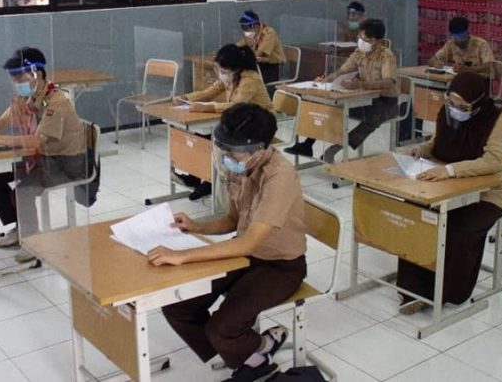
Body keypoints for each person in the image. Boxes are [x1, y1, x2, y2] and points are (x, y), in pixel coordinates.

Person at [154, 103, 306, 382]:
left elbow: (247, 243)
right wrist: (196, 226)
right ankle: (249, 354)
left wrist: (182, 256)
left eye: (232, 150)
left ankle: (255, 356)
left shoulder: (279, 177)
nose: (225, 156)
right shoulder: (240, 166)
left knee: (221, 327)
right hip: (246, 255)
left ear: (259, 149)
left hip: (281, 266)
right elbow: (232, 220)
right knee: (177, 305)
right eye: (222, 146)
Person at [0, 47, 87, 263]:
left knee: (24, 190)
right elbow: (0, 122)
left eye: (18, 77)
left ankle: (33, 244)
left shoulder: (58, 101)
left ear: (36, 74)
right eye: (12, 78)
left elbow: (36, 141)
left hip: (67, 162)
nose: (15, 83)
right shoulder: (26, 99)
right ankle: (21, 228)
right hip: (41, 160)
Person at [397, 72, 502, 314]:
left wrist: (450, 170)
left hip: (487, 194)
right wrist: (421, 149)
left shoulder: (496, 119)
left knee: (459, 228)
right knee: (416, 215)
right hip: (447, 189)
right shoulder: (445, 112)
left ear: (478, 103)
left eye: (463, 106)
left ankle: (446, 293)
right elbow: (437, 143)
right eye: (451, 102)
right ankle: (412, 289)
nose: (455, 109)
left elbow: (493, 161)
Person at [285, 19, 399, 162]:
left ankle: (334, 150)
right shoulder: (360, 52)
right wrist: (328, 79)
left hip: (386, 101)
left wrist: (361, 85)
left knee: (371, 119)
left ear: (378, 41)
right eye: (360, 37)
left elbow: (389, 82)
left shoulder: (386, 56)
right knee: (331, 108)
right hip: (364, 98)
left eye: (366, 39)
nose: (361, 41)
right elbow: (343, 70)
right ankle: (307, 145)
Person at [174, 44, 272, 200]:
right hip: (242, 121)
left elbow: (237, 105)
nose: (221, 74)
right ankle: (196, 176)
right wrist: (186, 98)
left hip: (259, 124)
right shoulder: (230, 76)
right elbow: (209, 92)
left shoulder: (250, 79)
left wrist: (208, 108)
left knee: (215, 139)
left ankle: (209, 183)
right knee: (201, 135)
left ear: (235, 67)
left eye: (223, 70)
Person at [428, 16, 495, 74]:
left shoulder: (481, 44)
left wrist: (468, 70)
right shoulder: (451, 43)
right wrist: (435, 63)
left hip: (480, 80)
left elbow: (489, 66)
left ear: (468, 33)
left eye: (462, 37)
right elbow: (433, 59)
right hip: (457, 78)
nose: (460, 41)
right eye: (456, 39)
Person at [236, 10, 285, 84]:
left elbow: (258, 54)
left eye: (246, 28)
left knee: (250, 80)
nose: (245, 31)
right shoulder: (252, 33)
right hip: (259, 64)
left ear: (255, 26)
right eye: (243, 28)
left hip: (271, 66)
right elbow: (238, 45)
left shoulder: (269, 33)